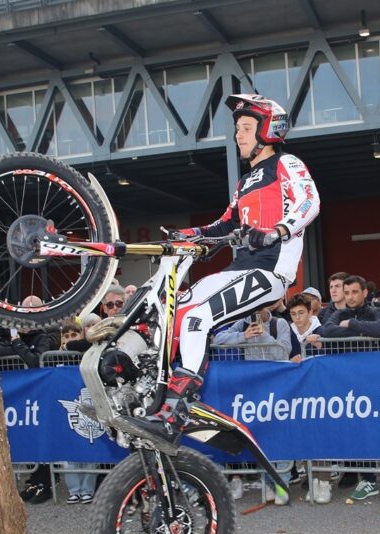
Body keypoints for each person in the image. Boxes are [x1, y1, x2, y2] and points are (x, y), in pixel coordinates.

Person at [123, 93, 320, 454]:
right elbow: (223, 224)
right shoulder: (245, 182)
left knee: (199, 317)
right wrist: (191, 234)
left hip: (269, 271)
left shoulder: (286, 163)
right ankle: (147, 387)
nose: (238, 136)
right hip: (238, 269)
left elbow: (310, 202)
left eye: (246, 128)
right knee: (177, 310)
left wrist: (276, 231)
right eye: (237, 129)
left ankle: (177, 408)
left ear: (268, 131)